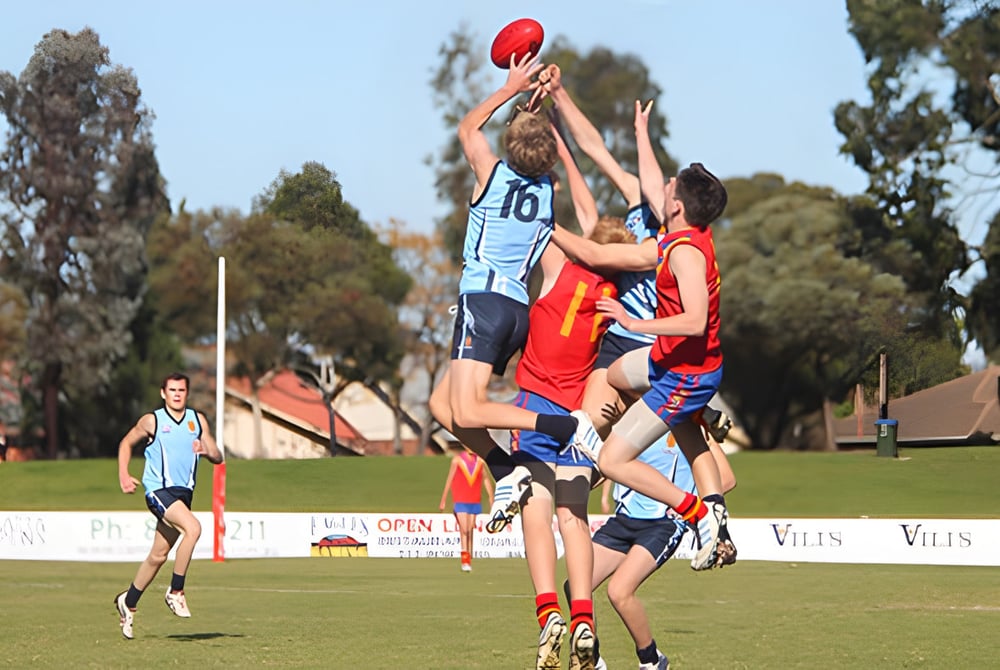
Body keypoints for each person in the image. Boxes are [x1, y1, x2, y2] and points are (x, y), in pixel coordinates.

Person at [570, 99, 732, 571]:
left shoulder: (683, 254)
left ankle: (696, 511)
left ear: (676, 204)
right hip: (672, 362)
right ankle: (711, 487)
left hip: (682, 373)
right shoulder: (682, 234)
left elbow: (695, 322)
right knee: (618, 373)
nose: (661, 187)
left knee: (614, 462)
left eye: (669, 187)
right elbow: (648, 181)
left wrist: (633, 321)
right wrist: (641, 132)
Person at [427, 53, 584, 536]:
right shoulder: (549, 189)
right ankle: (506, 467)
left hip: (485, 301)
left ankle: (559, 427)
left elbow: (467, 127)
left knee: (468, 410)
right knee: (441, 407)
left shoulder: (493, 176)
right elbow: (539, 153)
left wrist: (511, 89)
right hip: (517, 308)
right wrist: (542, 111)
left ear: (510, 147)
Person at [513, 109, 634, 670]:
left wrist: (546, 142)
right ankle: (584, 614)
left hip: (538, 408)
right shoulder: (616, 292)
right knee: (574, 515)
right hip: (581, 414)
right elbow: (586, 214)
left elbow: (564, 206)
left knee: (534, 509)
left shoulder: (561, 265)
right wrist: (562, 139)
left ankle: (549, 612)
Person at [585, 426, 736, 670]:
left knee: (619, 591)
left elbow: (726, 478)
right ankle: (590, 660)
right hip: (623, 520)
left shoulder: (692, 426)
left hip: (663, 524)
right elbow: (607, 465)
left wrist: (686, 504)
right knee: (577, 587)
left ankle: (652, 661)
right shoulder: (634, 421)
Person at [113, 372, 223, 640]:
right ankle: (176, 591)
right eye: (172, 390)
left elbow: (218, 456)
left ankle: (128, 601)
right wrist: (124, 474)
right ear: (163, 393)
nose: (177, 394)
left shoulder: (197, 421)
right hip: (158, 491)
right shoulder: (152, 420)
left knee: (158, 556)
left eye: (181, 390)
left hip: (183, 496)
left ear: (186, 393)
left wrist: (207, 450)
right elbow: (126, 442)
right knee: (194, 529)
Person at [439, 447, 493, 572]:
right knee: (464, 529)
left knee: (470, 530)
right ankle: (465, 560)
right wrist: (443, 499)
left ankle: (469, 556)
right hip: (460, 499)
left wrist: (491, 497)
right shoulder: (457, 460)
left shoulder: (480, 461)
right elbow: (450, 479)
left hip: (474, 499)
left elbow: (485, 479)